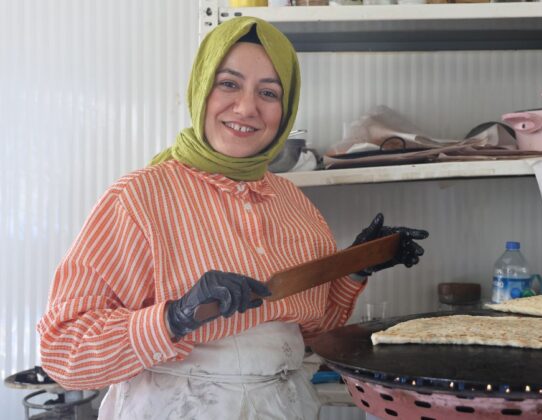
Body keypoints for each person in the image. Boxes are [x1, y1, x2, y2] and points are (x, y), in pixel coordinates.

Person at [37, 16, 428, 419]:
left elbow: (315, 326)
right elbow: (64, 351)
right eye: (229, 83)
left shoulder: (294, 204)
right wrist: (173, 317)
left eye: (269, 92)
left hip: (284, 406)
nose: (246, 107)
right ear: (202, 88)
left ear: (286, 108)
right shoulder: (139, 198)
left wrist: (356, 267)